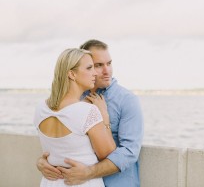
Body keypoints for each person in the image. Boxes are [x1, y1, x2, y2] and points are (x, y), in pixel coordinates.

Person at [37, 40, 144, 187]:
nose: (106, 71)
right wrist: (44, 162)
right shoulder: (75, 98)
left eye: (109, 63)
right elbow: (67, 144)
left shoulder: (127, 100)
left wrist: (88, 173)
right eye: (97, 65)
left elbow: (130, 152)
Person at [34, 48, 117, 186]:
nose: (95, 73)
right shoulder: (88, 111)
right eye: (89, 68)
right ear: (72, 74)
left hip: (51, 183)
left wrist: (40, 162)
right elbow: (108, 155)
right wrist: (104, 117)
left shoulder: (40, 108)